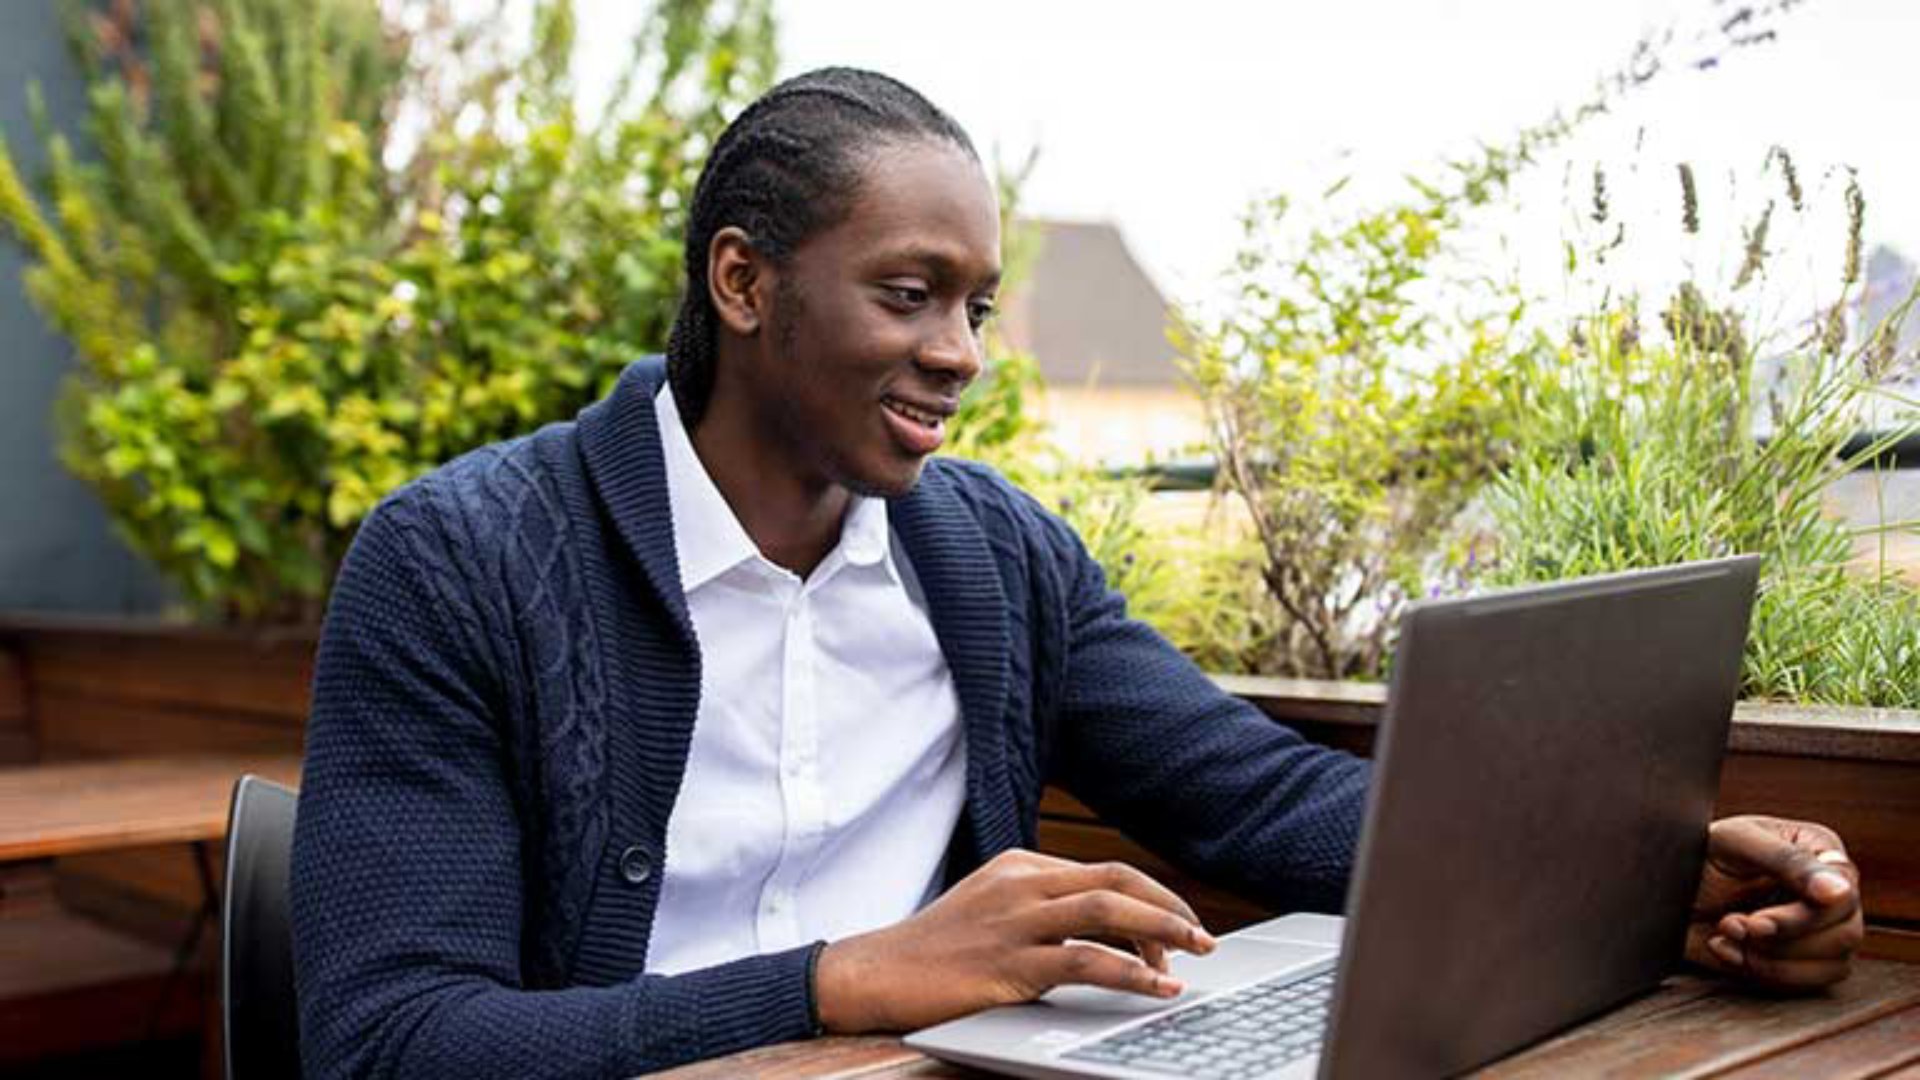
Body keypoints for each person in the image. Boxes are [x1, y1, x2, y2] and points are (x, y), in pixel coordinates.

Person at [289, 67, 1866, 1079]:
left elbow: (1258, 795)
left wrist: (1661, 866)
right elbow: (390, 1042)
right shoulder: (464, 562)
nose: (959, 354)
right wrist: (844, 979)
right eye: (911, 295)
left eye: (977, 304)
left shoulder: (991, 559)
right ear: (744, 282)